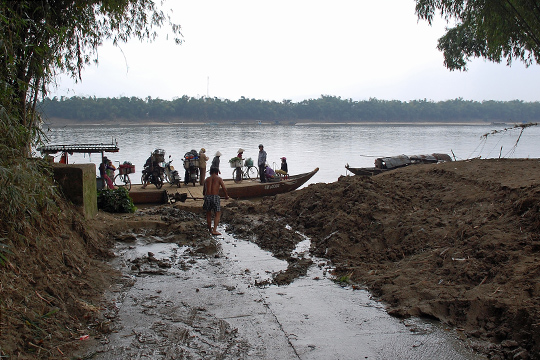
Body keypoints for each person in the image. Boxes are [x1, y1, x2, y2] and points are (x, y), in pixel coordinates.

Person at [203, 167, 229, 235]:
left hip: (207, 197)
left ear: (210, 172)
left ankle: (209, 229)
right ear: (217, 172)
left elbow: (204, 191)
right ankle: (214, 230)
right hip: (215, 196)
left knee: (208, 213)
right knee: (217, 213)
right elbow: (224, 188)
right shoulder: (219, 179)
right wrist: (226, 196)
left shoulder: (206, 179)